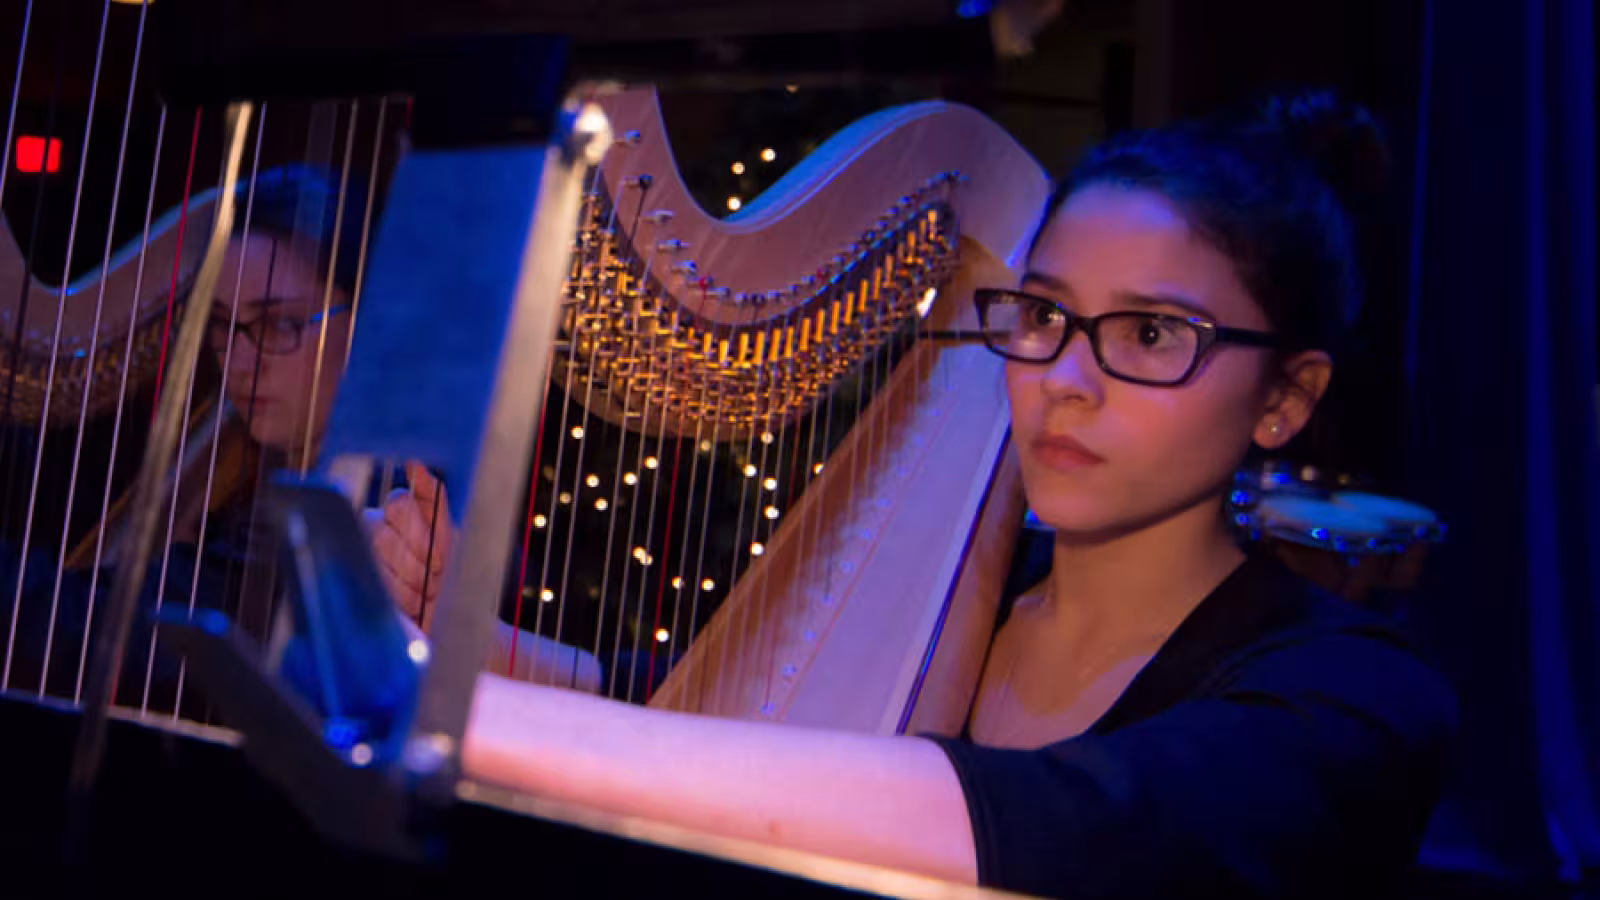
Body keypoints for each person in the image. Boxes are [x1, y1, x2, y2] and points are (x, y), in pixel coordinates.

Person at [446, 91, 1457, 899]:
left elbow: (1073, 827)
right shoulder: (963, 590)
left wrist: (470, 720)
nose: (1065, 377)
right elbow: (678, 695)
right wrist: (473, 643)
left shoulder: (1358, 698)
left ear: (1284, 398)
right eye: (1043, 314)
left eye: (1150, 334)